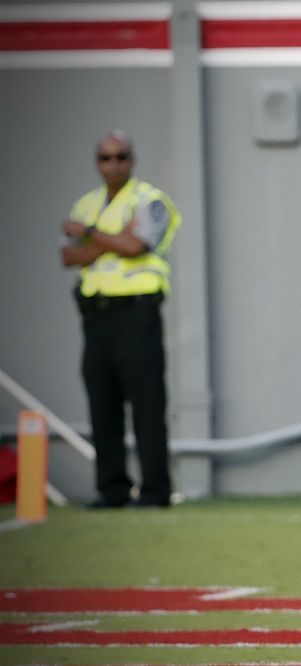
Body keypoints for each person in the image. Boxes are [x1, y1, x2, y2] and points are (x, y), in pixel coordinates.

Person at [61, 131, 181, 509]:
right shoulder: (85, 204)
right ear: (97, 162)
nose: (113, 164)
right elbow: (68, 257)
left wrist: (91, 238)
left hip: (136, 314)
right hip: (96, 318)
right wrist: (112, 239)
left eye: (120, 157)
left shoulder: (149, 201)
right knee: (102, 403)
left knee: (146, 404)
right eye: (105, 158)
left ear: (132, 159)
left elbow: (136, 246)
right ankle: (111, 489)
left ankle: (154, 491)